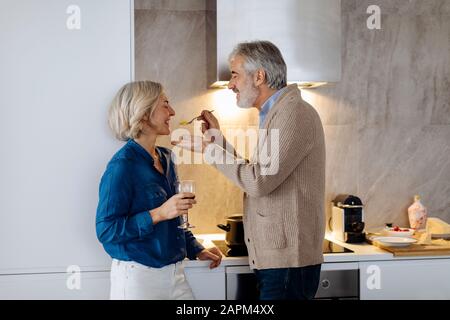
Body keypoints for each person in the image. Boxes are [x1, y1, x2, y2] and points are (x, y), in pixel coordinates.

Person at [174, 41, 326, 300]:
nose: (231, 84)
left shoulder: (293, 113)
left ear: (259, 76)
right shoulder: (276, 113)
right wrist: (217, 140)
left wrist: (207, 150)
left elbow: (257, 182)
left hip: (288, 263)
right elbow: (259, 171)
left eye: (235, 74)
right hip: (279, 262)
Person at [96, 81, 222, 300]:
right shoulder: (122, 166)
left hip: (175, 276)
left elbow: (175, 221)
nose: (172, 111)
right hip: (139, 279)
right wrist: (159, 213)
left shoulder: (166, 157)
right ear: (144, 114)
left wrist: (196, 248)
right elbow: (106, 230)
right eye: (165, 104)